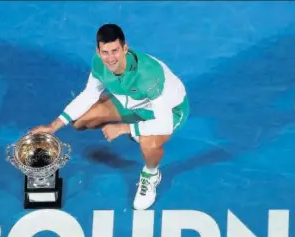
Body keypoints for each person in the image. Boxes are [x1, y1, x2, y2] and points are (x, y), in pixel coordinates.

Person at [30, 23, 190, 210]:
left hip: (168, 112)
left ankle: (151, 174)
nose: (110, 58)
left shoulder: (148, 74)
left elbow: (164, 124)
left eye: (115, 51)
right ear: (98, 51)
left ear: (125, 48)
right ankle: (137, 127)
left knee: (149, 143)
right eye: (105, 52)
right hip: (132, 102)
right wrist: (54, 125)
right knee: (80, 121)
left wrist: (124, 128)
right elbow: (89, 94)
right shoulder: (100, 64)